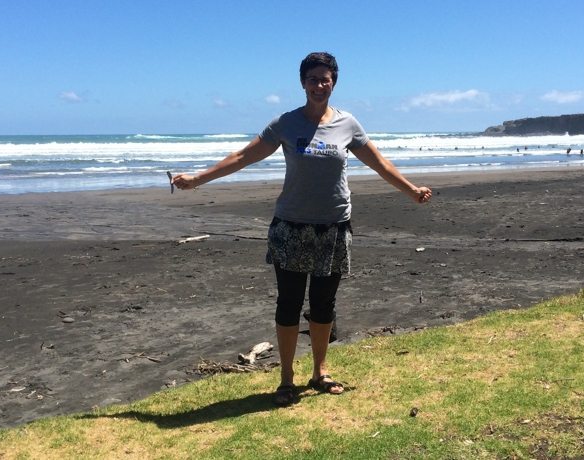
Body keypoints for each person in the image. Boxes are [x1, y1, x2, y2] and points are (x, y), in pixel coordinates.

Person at [171, 52, 432, 406]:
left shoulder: (348, 124)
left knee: (324, 304)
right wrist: (199, 178)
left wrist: (410, 189)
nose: (319, 85)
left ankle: (320, 371)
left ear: (334, 82)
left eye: (325, 79)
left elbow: (379, 162)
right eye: (313, 79)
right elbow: (243, 156)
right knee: (289, 303)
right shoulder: (286, 123)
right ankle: (287, 378)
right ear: (302, 83)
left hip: (334, 227)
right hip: (291, 226)